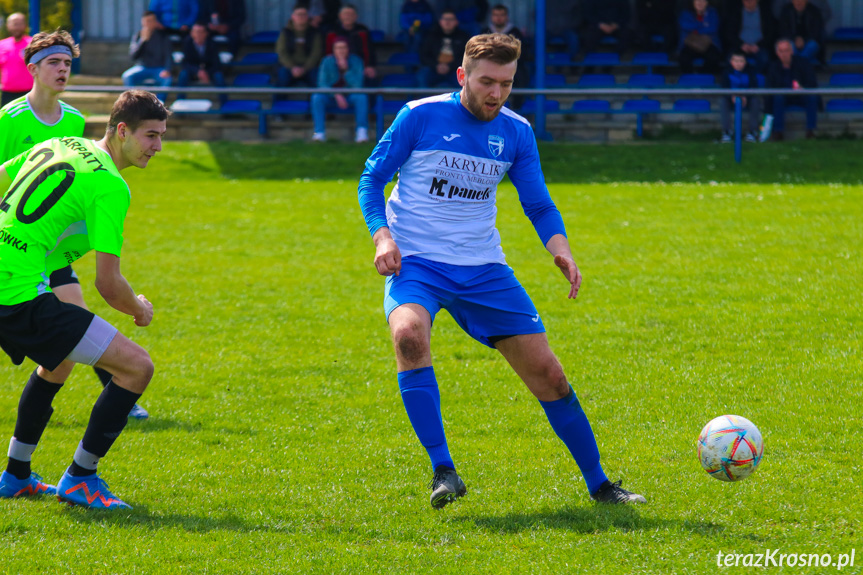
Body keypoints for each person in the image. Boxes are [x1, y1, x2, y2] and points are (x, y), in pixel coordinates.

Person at [357, 33, 647, 509]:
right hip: (419, 263)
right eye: (486, 82)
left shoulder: (516, 131)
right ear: (462, 76)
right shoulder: (420, 115)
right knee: (409, 336)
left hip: (484, 269)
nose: (495, 93)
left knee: (550, 375)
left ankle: (601, 486)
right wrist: (382, 236)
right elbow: (372, 177)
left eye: (506, 84)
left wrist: (562, 250)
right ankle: (443, 470)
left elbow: (537, 203)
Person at [0, 89, 168, 508]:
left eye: (162, 136)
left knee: (59, 361)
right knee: (136, 367)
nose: (158, 147)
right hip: (15, 291)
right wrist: (139, 309)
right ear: (122, 130)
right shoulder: (110, 185)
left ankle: (16, 475)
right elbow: (109, 285)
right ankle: (81, 478)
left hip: (15, 280)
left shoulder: (63, 143)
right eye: (150, 136)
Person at [0, 30, 150, 420]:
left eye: (67, 63)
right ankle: (124, 381)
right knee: (70, 325)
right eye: (54, 62)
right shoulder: (9, 118)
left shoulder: (74, 119)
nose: (63, 69)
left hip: (56, 246)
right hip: (17, 245)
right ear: (33, 68)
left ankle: (118, 385)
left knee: (74, 319)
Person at [311, 37, 368, 143]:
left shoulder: (356, 61)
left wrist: (346, 71)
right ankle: (319, 133)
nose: (341, 50)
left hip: (350, 95)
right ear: (333, 50)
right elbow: (322, 83)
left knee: (361, 97)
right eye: (338, 48)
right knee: (317, 97)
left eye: (344, 47)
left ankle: (361, 132)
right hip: (331, 96)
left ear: (348, 49)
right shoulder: (326, 61)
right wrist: (336, 94)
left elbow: (358, 84)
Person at [765, 37, 817, 140]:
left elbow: (812, 82)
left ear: (792, 51)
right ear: (777, 53)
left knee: (812, 97)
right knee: (778, 98)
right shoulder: (773, 67)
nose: (784, 54)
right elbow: (769, 87)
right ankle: (778, 132)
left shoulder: (803, 63)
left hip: (800, 95)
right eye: (781, 51)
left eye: (787, 50)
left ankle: (810, 131)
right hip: (783, 96)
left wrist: (803, 88)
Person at [481, 4, 528, 109]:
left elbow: (521, 54)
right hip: (488, 67)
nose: (498, 18)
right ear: (491, 16)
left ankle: (517, 109)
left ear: (507, 17)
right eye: (495, 15)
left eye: (502, 15)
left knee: (521, 76)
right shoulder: (484, 32)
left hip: (511, 66)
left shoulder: (515, 32)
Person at [122, 11, 173, 101]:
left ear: (155, 22)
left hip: (158, 69)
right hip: (142, 67)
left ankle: (159, 103)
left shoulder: (163, 36)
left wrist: (167, 69)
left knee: (167, 78)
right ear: (143, 22)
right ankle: (132, 102)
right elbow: (133, 56)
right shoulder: (138, 35)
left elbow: (169, 56)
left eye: (151, 21)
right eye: (146, 21)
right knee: (127, 76)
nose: (148, 23)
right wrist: (143, 41)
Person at [177, 22, 227, 104]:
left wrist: (206, 73)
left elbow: (216, 64)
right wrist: (198, 71)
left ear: (206, 33)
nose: (198, 34)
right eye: (196, 31)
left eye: (201, 32)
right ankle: (180, 104)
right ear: (192, 33)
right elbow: (185, 63)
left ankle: (225, 107)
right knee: (183, 74)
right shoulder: (187, 43)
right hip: (193, 71)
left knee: (219, 76)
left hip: (209, 71)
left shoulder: (212, 44)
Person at [325, 4, 377, 83]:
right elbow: (328, 51)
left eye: (351, 14)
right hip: (335, 65)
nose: (348, 16)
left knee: (371, 80)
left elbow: (369, 50)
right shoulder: (332, 30)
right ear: (340, 16)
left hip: (359, 66)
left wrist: (369, 66)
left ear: (356, 16)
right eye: (345, 14)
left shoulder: (362, 30)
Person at [418, 10, 470, 88]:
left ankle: (461, 100)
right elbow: (424, 55)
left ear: (456, 22)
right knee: (422, 75)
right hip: (434, 69)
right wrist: (436, 65)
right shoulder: (431, 36)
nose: (447, 22)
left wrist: (450, 66)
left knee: (464, 78)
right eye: (445, 19)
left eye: (451, 19)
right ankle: (425, 99)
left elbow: (465, 56)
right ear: (440, 21)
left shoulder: (463, 37)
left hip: (454, 70)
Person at [719, 52, 762, 143]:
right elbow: (724, 88)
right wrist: (732, 96)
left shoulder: (751, 72)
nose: (738, 63)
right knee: (723, 101)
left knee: (755, 101)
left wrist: (745, 96)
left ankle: (752, 132)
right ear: (731, 62)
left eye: (741, 61)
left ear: (745, 62)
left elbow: (753, 87)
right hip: (731, 99)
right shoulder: (726, 72)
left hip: (747, 99)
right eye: (736, 61)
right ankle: (726, 132)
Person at [722, 0, 776, 73]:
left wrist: (758, 45)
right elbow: (729, 33)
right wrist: (741, 45)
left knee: (765, 59)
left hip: (759, 47)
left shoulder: (765, 13)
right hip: (740, 46)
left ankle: (754, 79)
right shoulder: (736, 12)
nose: (749, 1)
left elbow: (770, 33)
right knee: (729, 58)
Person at [276, 5, 323, 89]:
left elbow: (316, 53)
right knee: (282, 79)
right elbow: (281, 52)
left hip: (309, 67)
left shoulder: (315, 32)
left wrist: (304, 68)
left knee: (316, 79)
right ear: (293, 16)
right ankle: (279, 101)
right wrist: (292, 67)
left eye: (304, 14)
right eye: (298, 14)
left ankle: (313, 101)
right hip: (289, 67)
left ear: (307, 17)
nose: (301, 17)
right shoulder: (285, 32)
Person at [677, 0, 722, 74]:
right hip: (690, 42)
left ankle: (703, 76)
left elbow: (713, 28)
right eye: (697, 1)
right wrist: (703, 25)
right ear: (693, 2)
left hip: (709, 42)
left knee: (714, 57)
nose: (700, 3)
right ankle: (690, 78)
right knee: (683, 58)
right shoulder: (686, 12)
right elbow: (684, 25)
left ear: (707, 3)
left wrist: (696, 29)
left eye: (703, 1)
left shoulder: (712, 12)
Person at [777, 0, 824, 64]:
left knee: (812, 45)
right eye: (796, 0)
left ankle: (797, 66)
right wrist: (795, 39)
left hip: (809, 41)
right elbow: (783, 30)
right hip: (792, 40)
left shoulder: (814, 11)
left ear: (806, 1)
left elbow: (816, 32)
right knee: (788, 45)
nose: (798, 3)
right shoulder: (786, 10)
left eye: (801, 0)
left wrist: (804, 40)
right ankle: (800, 67)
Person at [0, 13, 32, 107]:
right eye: (14, 24)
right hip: (7, 93)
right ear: (8, 26)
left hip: (28, 93)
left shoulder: (32, 44)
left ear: (25, 25)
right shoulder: (2, 45)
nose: (16, 27)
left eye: (19, 24)